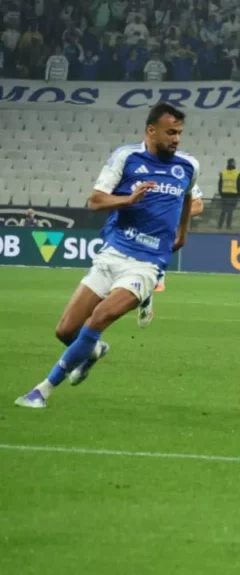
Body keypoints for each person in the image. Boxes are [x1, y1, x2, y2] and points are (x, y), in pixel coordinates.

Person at [15, 104, 199, 409]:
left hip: (147, 263)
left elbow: (189, 196)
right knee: (66, 330)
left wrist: (183, 232)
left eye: (179, 133)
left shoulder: (188, 166)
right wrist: (129, 199)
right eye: (171, 133)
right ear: (151, 130)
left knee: (99, 317)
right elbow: (95, 200)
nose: (177, 139)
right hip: (113, 254)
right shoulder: (126, 158)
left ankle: (42, 390)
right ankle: (93, 351)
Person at [138, 184, 204, 325]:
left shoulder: (183, 174)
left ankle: (149, 289)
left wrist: (172, 215)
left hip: (162, 234)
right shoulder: (144, 174)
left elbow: (198, 206)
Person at [217, 158, 240, 229]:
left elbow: (220, 184)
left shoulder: (223, 173)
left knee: (224, 210)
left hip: (224, 194)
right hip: (233, 195)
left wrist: (220, 193)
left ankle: (220, 225)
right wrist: (239, 194)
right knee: (230, 211)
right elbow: (239, 185)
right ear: (234, 163)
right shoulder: (237, 173)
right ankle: (228, 226)